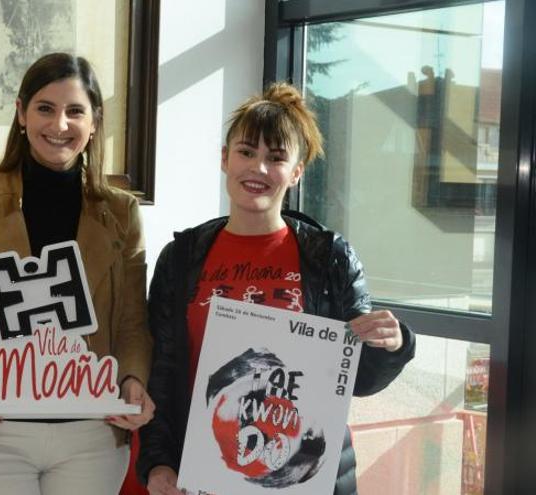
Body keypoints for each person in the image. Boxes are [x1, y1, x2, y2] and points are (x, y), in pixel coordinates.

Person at [137, 82, 416, 495]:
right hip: (206, 471)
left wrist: (393, 345)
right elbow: (162, 371)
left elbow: (357, 379)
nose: (259, 169)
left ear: (297, 171)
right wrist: (158, 461)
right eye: (247, 152)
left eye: (276, 158)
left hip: (302, 474)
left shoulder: (331, 258)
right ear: (224, 159)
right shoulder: (181, 258)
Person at [0, 52, 155, 495]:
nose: (60, 125)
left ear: (94, 121)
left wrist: (133, 382)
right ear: (20, 113)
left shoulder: (121, 211)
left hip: (92, 434)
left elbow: (132, 321)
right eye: (45, 108)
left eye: (75, 111)